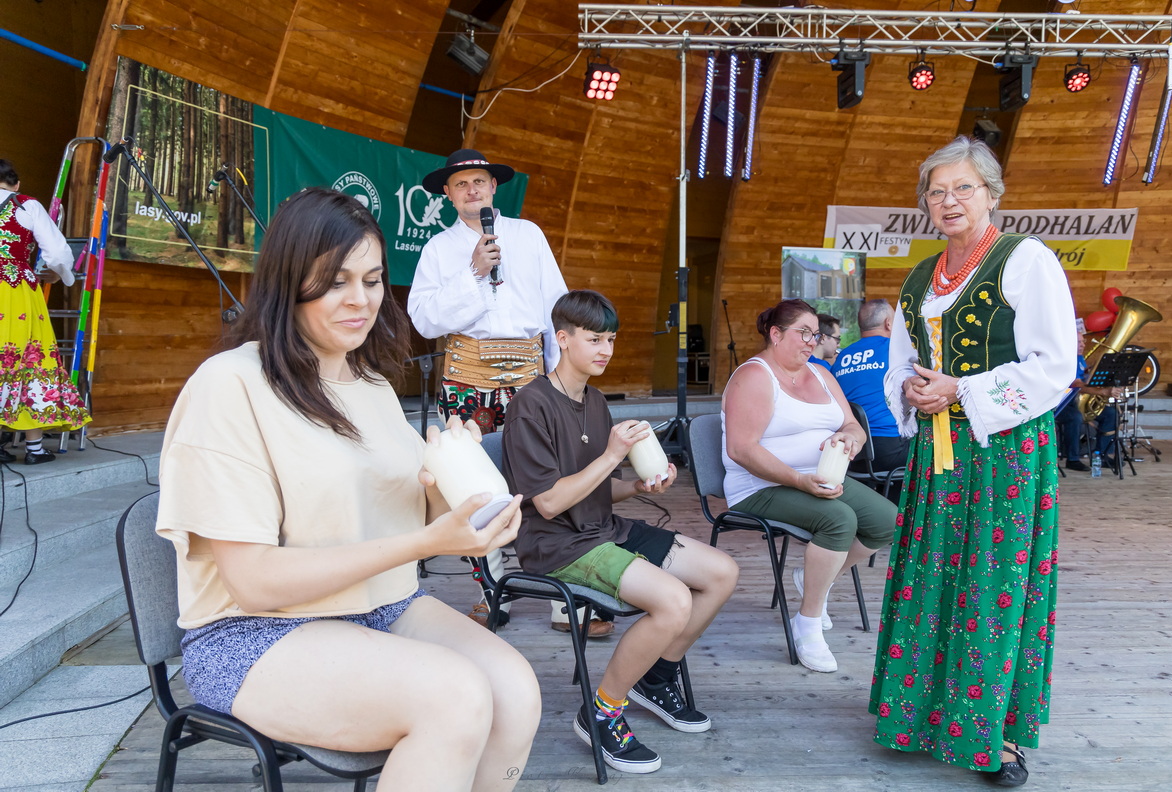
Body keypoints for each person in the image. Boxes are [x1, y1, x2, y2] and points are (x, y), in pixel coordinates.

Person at [155, 187, 541, 792]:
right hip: (254, 632)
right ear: (289, 282)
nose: (359, 301)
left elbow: (418, 510)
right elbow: (254, 581)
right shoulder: (230, 384)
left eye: (372, 279)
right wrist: (426, 543)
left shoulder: (373, 388)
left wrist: (467, 489)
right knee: (453, 696)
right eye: (335, 282)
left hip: (379, 608)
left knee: (515, 688)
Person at [869, 136, 1076, 787]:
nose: (948, 200)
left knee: (993, 588)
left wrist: (962, 390)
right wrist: (908, 387)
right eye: (936, 190)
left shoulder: (1026, 260)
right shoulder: (918, 277)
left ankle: (1001, 737)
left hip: (1005, 453)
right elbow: (900, 362)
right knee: (932, 580)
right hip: (937, 453)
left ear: (990, 193)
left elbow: (1055, 366)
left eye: (963, 187)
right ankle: (923, 715)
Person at [501, 290, 738, 774]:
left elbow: (597, 491)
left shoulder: (594, 401)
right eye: (594, 339)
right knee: (673, 601)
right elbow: (547, 502)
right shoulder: (530, 405)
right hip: (556, 545)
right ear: (562, 339)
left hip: (601, 528)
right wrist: (612, 455)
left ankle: (656, 676)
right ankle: (602, 711)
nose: (605, 348)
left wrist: (641, 484)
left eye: (610, 338)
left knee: (722, 571)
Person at [408, 149, 609, 636]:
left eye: (480, 181)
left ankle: (570, 598)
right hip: (466, 378)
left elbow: (555, 311)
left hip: (528, 377)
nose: (473, 190)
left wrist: (559, 377)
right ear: (448, 195)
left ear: (494, 188)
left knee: (549, 480)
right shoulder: (438, 249)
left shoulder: (528, 235)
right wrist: (474, 271)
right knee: (472, 485)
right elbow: (425, 319)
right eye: (461, 184)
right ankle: (491, 590)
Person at [722, 298, 896, 673]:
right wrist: (799, 480)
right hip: (758, 486)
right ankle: (808, 622)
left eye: (815, 335)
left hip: (820, 475)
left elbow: (853, 425)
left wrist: (851, 439)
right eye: (803, 333)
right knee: (838, 520)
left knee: (888, 520)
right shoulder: (754, 376)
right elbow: (740, 449)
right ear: (775, 333)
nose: (811, 342)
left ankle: (815, 576)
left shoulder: (821, 374)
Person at [0, 159, 91, 463]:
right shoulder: (27, 206)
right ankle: (34, 449)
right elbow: (57, 252)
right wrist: (58, 274)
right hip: (16, 293)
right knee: (29, 358)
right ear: (16, 184)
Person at [833, 299, 911, 492]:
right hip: (889, 451)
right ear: (888, 323)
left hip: (852, 453)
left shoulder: (843, 356)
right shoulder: (895, 351)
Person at [1055, 329, 1118, 471]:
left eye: (1083, 341)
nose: (1083, 345)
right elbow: (1076, 384)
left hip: (1078, 402)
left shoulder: (1079, 358)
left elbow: (1085, 380)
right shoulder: (1066, 359)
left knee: (1111, 414)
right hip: (1062, 403)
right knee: (1074, 417)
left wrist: (1095, 371)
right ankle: (1072, 459)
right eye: (1078, 342)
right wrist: (1103, 391)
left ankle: (1101, 456)